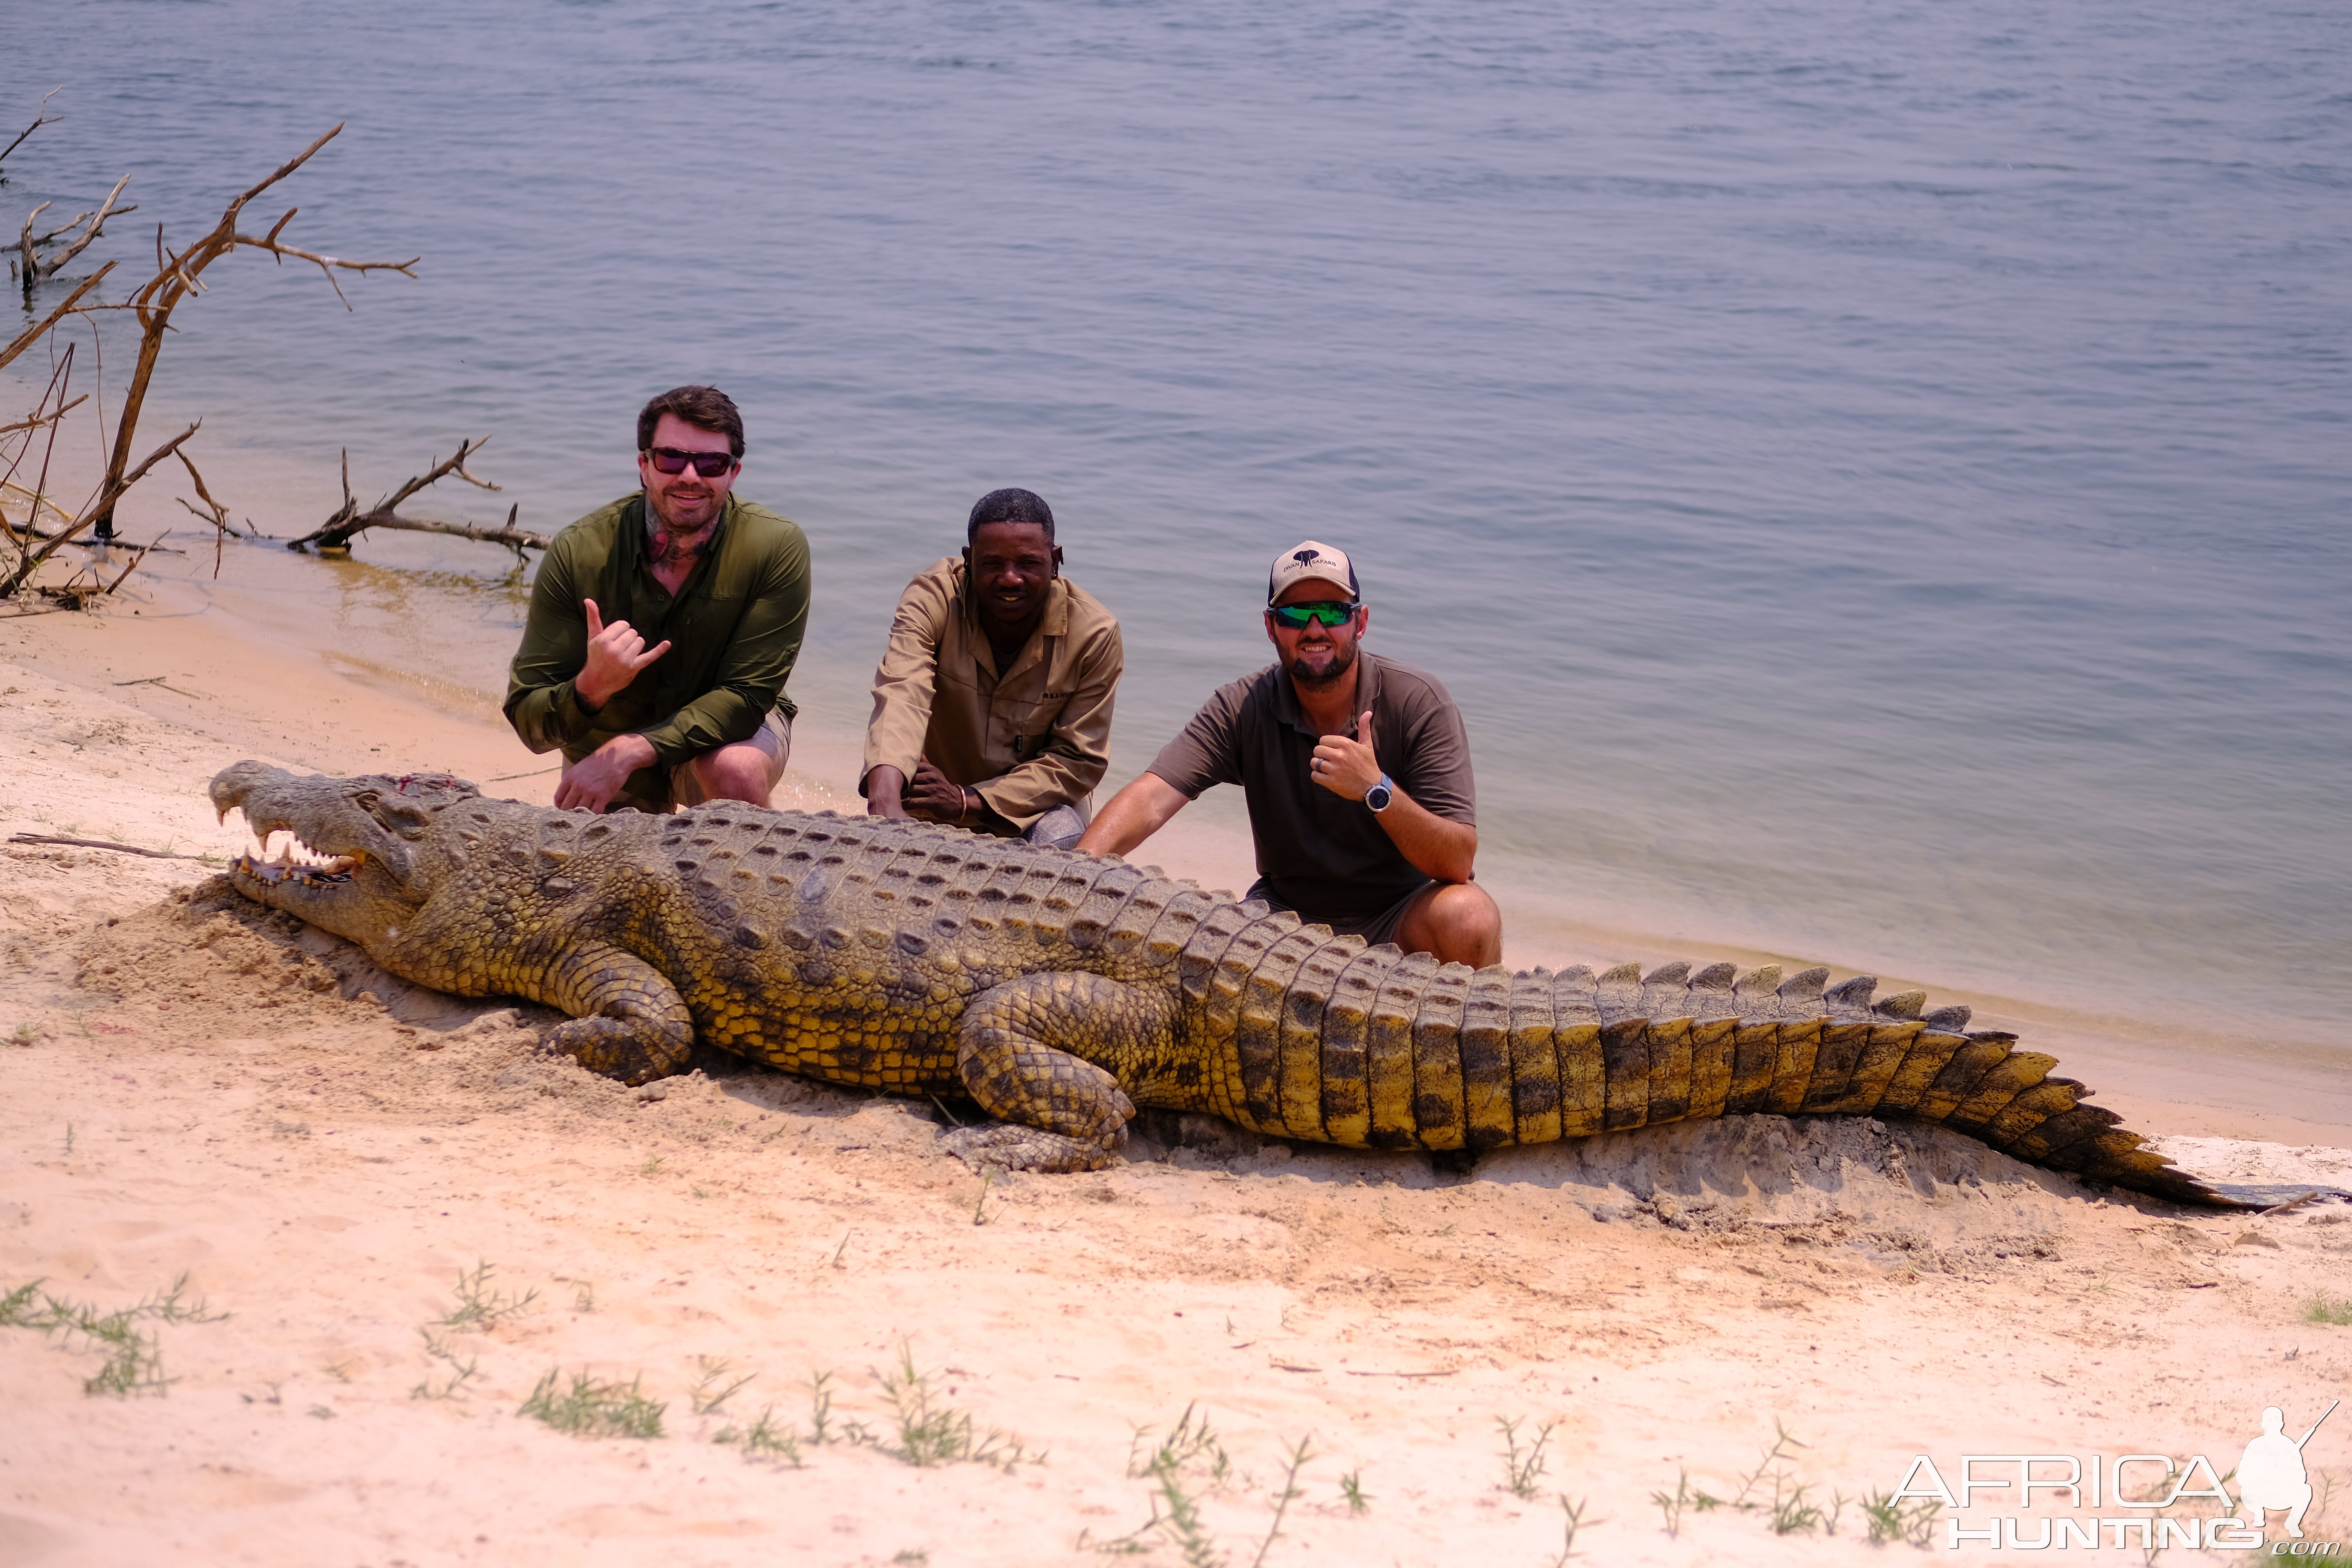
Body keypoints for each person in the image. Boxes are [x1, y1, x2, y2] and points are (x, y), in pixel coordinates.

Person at [1076, 539, 1501, 966]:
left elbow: (1457, 861)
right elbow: (1152, 798)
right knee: (1195, 956)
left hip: (1399, 912)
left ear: (1361, 622)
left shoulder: (1418, 701)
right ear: (1271, 626)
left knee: (1469, 916)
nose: (1314, 629)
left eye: (1334, 612)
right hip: (1284, 915)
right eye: (1295, 614)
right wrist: (1074, 871)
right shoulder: (1242, 705)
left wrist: (1378, 790)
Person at [505, 386, 810, 814]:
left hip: (720, 737)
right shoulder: (580, 552)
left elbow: (746, 697)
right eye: (671, 458)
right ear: (644, 465)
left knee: (735, 770)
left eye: (711, 462)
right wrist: (590, 688)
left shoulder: (776, 546)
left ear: (733, 473)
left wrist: (637, 747)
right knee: (588, 875)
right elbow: (529, 721)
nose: (690, 475)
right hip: (603, 750)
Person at [861, 488, 1121, 849]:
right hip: (931, 793)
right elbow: (902, 692)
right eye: (993, 564)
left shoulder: (1095, 633)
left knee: (1061, 837)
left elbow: (1076, 761)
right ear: (969, 560)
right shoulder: (934, 597)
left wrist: (967, 801)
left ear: (1056, 559)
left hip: (1030, 810)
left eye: (1028, 563)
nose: (1010, 578)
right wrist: (885, 804)